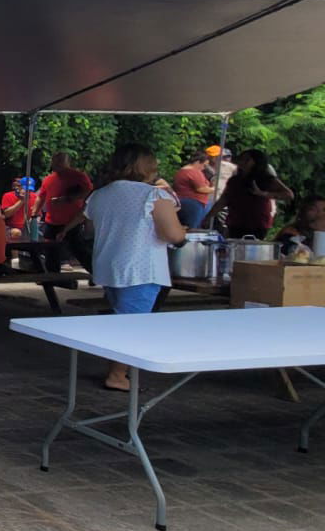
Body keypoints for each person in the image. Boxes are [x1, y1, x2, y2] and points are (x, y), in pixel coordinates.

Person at [65, 144, 185, 392]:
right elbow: (173, 235)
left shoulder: (99, 195)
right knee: (132, 325)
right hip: (140, 267)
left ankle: (120, 368)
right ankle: (118, 375)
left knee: (121, 317)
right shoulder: (153, 196)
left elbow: (90, 228)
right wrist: (182, 235)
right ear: (146, 167)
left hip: (109, 266)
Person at [208, 149, 294, 239]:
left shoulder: (266, 179)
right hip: (236, 221)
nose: (242, 162)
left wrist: (263, 194)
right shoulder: (235, 180)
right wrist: (209, 216)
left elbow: (288, 194)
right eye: (241, 159)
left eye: (247, 160)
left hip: (257, 223)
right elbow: (224, 199)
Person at [36, 152, 93, 270]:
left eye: (60, 161)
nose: (57, 164)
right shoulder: (48, 179)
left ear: (67, 162)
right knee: (51, 251)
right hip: (52, 221)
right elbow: (41, 196)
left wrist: (68, 198)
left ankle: (95, 272)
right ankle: (52, 278)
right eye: (55, 161)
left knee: (78, 249)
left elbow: (89, 192)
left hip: (72, 220)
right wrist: (34, 212)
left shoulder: (78, 176)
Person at [171, 154, 216, 229]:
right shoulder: (193, 172)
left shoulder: (182, 170)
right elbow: (201, 189)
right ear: (197, 162)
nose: (203, 168)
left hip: (185, 201)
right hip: (193, 203)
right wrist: (214, 188)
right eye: (204, 165)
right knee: (192, 228)